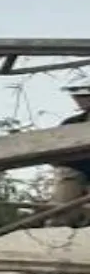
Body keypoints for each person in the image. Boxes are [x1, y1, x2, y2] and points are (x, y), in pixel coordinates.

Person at [48, 83, 90, 226]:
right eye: (77, 96)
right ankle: (58, 229)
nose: (80, 100)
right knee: (62, 210)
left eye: (85, 96)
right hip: (75, 171)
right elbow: (54, 152)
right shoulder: (71, 123)